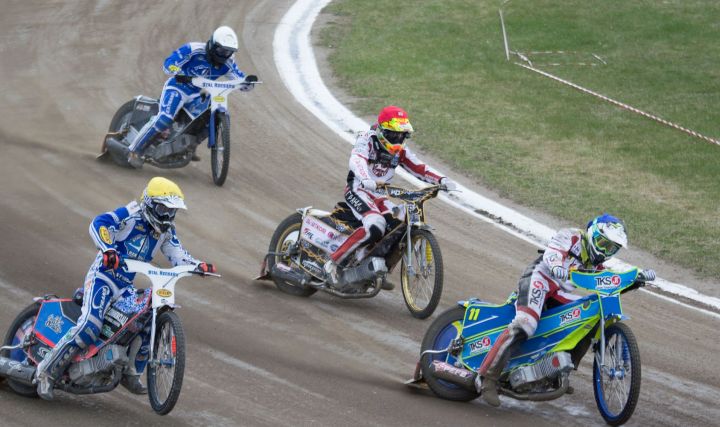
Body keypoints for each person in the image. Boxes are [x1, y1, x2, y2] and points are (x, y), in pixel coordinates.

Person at [35, 177, 216, 400]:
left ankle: (131, 372)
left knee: (148, 313)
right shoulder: (131, 214)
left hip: (124, 287)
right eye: (163, 209)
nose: (168, 216)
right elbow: (99, 223)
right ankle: (46, 372)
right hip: (103, 278)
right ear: (149, 203)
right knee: (90, 326)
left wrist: (199, 266)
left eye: (172, 211)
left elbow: (177, 254)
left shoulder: (166, 232)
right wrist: (108, 249)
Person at [477, 213, 656, 407]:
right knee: (525, 324)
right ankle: (487, 378)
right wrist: (556, 266)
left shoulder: (596, 264)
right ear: (593, 234)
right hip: (539, 280)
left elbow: (611, 280)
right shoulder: (571, 236)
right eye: (603, 244)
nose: (605, 251)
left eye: (612, 248)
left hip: (558, 293)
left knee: (590, 316)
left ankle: (558, 372)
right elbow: (553, 252)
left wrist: (637, 278)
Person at [323, 105, 457, 286]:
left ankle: (376, 269)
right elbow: (357, 160)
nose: (399, 139)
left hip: (379, 196)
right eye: (395, 134)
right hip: (358, 190)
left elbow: (419, 167)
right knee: (376, 224)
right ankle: (333, 263)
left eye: (402, 135)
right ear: (383, 131)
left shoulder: (400, 151)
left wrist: (442, 179)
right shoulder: (367, 139)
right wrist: (365, 178)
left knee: (402, 221)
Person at [127, 26, 255, 168]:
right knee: (165, 118)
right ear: (213, 44)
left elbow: (240, 79)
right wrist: (179, 72)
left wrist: (248, 83)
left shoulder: (228, 62)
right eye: (221, 50)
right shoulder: (193, 49)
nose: (225, 54)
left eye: (229, 51)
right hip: (177, 87)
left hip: (196, 95)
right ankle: (134, 150)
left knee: (209, 115)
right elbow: (169, 63)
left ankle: (189, 145)